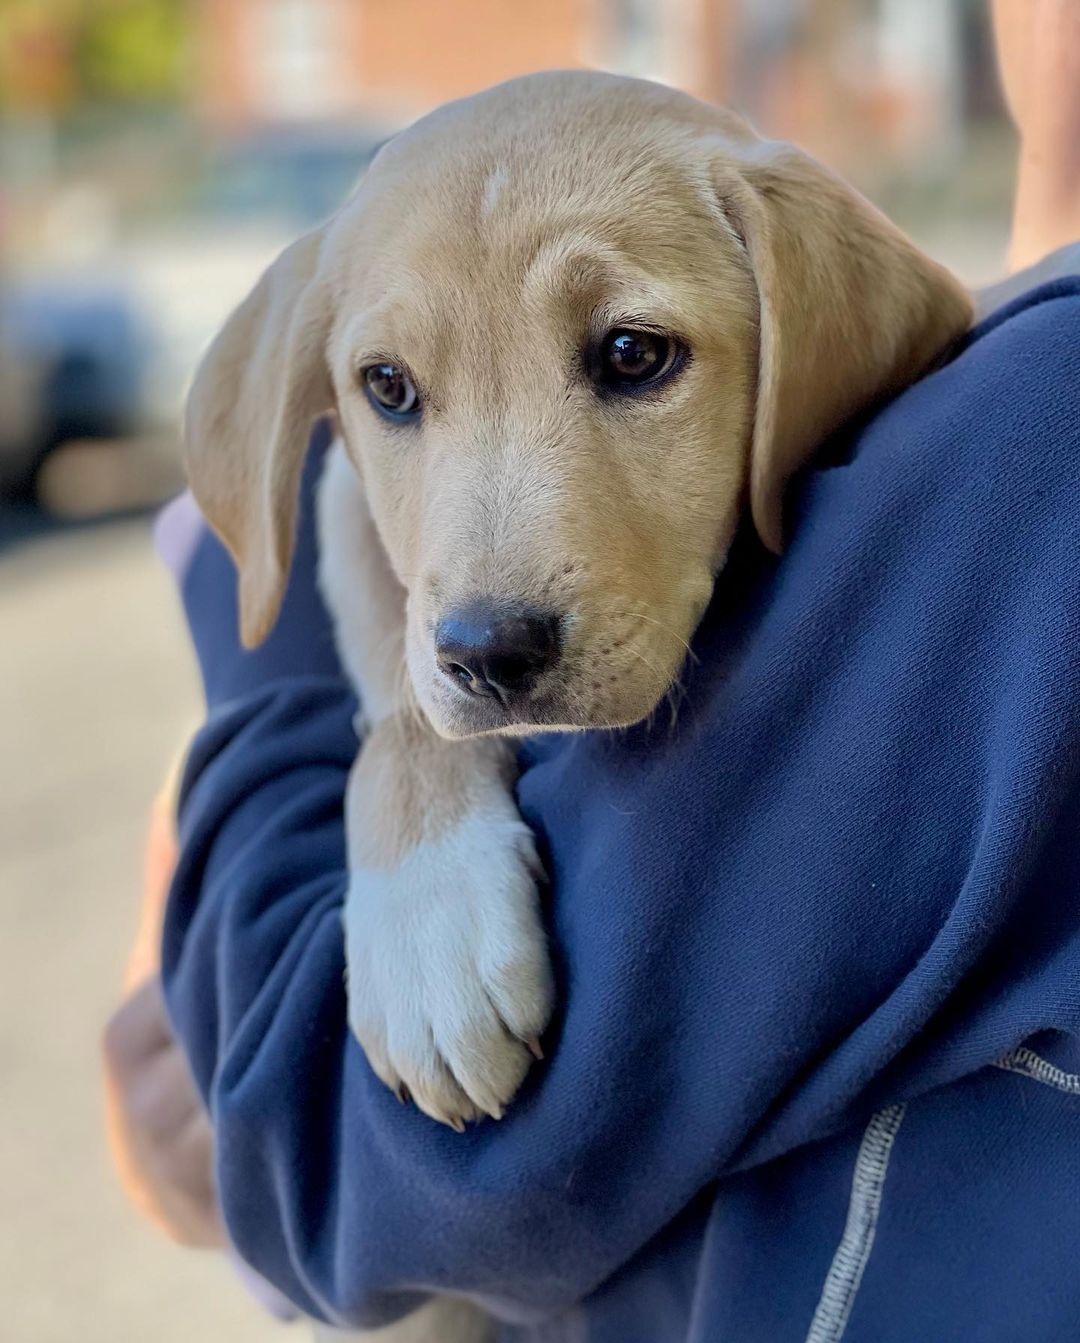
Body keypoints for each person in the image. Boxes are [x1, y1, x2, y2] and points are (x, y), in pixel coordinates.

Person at [103, 3, 1080, 1338]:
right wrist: (403, 748)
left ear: (823, 347)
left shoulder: (1028, 445)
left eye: (632, 358)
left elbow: (338, 1159)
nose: (495, 600)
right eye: (392, 389)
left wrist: (257, 666)